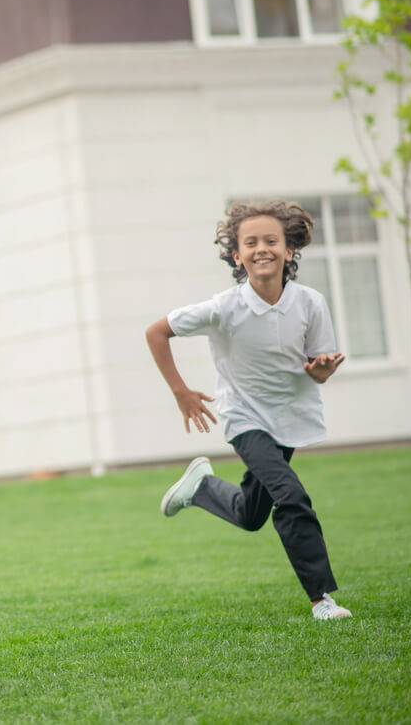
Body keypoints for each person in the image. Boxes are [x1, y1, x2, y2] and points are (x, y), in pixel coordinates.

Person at [145, 200, 352, 620]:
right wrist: (181, 392)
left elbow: (317, 369)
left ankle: (202, 488)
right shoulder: (224, 307)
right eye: (251, 242)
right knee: (291, 496)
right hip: (244, 417)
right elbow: (157, 332)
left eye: (271, 241)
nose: (262, 249)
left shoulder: (310, 303)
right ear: (237, 256)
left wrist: (321, 370)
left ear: (289, 251)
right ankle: (322, 600)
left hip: (289, 419)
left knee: (251, 514)